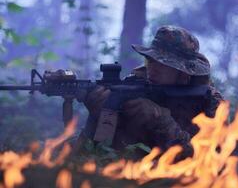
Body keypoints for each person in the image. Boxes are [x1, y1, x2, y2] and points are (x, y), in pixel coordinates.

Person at [76, 25, 223, 156]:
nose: (153, 69)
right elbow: (95, 151)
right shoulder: (134, 89)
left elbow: (210, 157)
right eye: (151, 60)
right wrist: (98, 116)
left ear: (183, 72)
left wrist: (161, 121)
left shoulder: (209, 100)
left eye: (163, 63)